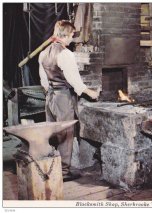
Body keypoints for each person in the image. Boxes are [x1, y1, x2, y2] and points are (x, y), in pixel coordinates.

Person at [38, 20, 99, 181]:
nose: (72, 38)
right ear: (65, 35)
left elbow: (44, 81)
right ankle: (63, 172)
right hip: (63, 97)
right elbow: (75, 81)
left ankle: (51, 167)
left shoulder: (43, 53)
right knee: (66, 135)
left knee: (53, 133)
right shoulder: (66, 54)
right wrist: (90, 93)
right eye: (72, 35)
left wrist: (51, 94)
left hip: (50, 97)